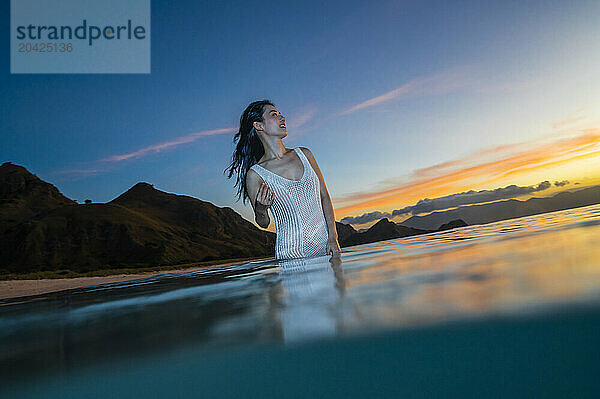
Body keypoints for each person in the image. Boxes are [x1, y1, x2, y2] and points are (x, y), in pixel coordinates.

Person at [225, 99, 341, 260]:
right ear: (259, 125)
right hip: (292, 253)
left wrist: (333, 237)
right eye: (274, 115)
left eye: (280, 114)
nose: (283, 118)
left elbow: (324, 197)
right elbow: (263, 222)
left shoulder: (304, 154)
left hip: (327, 247)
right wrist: (261, 208)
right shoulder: (256, 174)